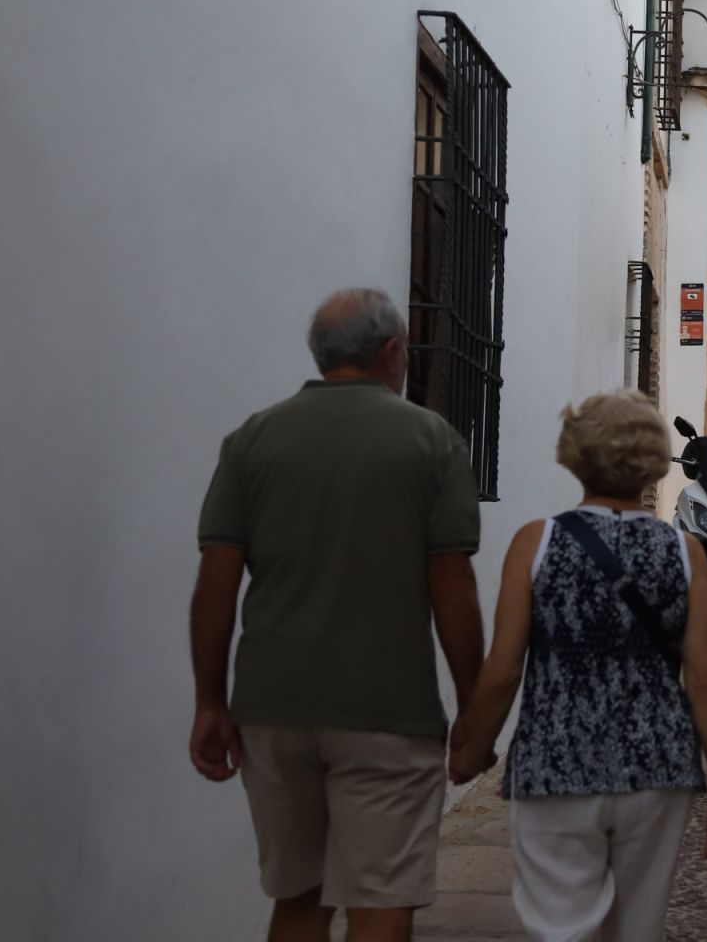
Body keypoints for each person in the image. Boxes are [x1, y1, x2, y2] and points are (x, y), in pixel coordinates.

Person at [189, 287, 486, 942]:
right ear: (393, 352)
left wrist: (210, 701)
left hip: (272, 707)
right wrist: (474, 705)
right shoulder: (431, 440)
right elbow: (452, 585)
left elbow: (216, 580)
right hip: (387, 709)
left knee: (298, 900)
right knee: (382, 901)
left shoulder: (252, 440)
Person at [450, 391, 707, 942]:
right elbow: (705, 679)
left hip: (556, 762)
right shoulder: (682, 551)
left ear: (575, 454)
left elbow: (504, 669)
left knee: (561, 928)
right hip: (657, 765)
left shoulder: (537, 542)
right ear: (652, 460)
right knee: (636, 928)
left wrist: (473, 748)